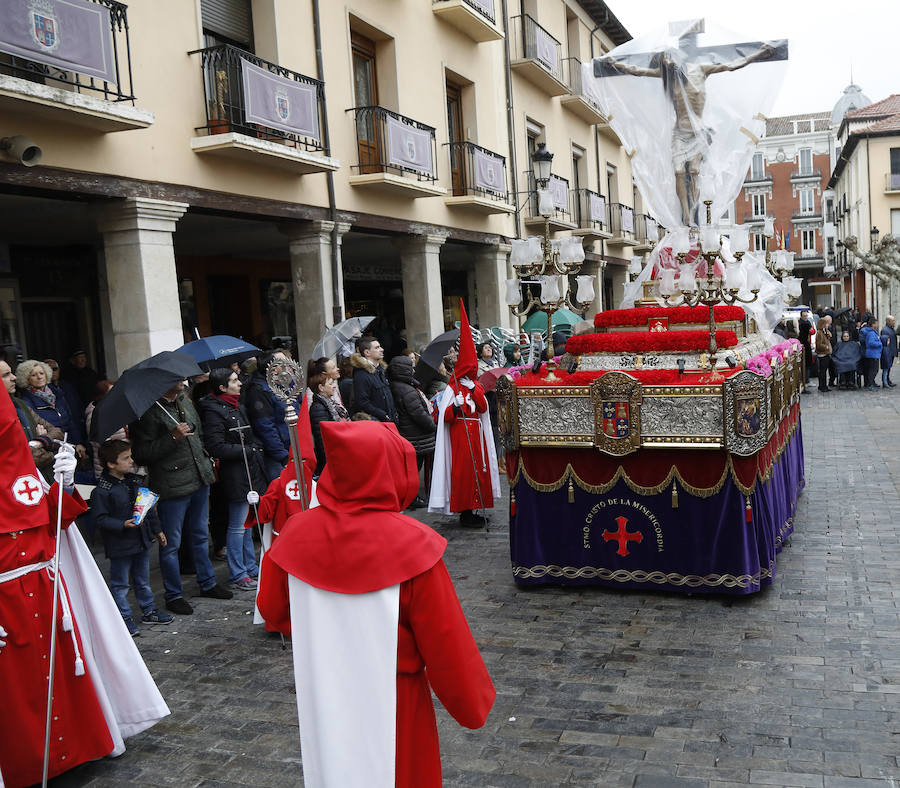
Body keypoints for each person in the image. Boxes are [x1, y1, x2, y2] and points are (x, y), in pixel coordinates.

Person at [256, 420, 496, 787]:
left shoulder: (295, 533)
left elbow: (273, 610)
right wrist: (471, 704)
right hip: (397, 699)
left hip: (324, 689)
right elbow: (446, 643)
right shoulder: (413, 545)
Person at [0, 393, 169, 786]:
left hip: (47, 593)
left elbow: (54, 521)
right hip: (7, 606)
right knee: (17, 691)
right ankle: (28, 764)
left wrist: (63, 483)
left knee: (63, 677)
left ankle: (74, 751)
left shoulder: (24, 473)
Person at [130, 379, 232, 615]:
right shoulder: (148, 411)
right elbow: (141, 454)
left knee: (199, 535)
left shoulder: (185, 401)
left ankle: (207, 583)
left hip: (199, 478)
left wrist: (206, 459)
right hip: (171, 485)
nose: (183, 382)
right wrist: (172, 438)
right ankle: (173, 594)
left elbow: (199, 434)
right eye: (177, 379)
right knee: (170, 544)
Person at [89, 439, 174, 636]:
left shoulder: (135, 481)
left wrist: (157, 529)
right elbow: (100, 519)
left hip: (141, 540)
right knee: (120, 583)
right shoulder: (102, 491)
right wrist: (121, 524)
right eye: (125, 458)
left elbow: (147, 508)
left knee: (142, 579)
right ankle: (123, 616)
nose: (131, 461)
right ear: (111, 464)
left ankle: (149, 610)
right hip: (120, 545)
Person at [429, 301, 501, 527]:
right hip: (460, 436)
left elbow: (482, 409)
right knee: (464, 473)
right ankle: (465, 511)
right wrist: (455, 405)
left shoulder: (474, 385)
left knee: (479, 470)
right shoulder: (452, 389)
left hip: (476, 434)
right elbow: (445, 417)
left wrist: (474, 391)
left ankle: (477, 506)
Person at [199, 368, 268, 592]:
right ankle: (238, 573)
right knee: (238, 526)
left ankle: (249, 566)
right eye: (234, 381)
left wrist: (255, 447)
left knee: (247, 524)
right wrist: (247, 450)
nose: (239, 383)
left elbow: (250, 434)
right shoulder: (214, 411)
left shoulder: (237, 405)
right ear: (222, 387)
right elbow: (215, 446)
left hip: (248, 469)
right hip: (235, 473)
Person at [387, 354, 436, 508]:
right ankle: (411, 498)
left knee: (410, 469)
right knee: (413, 469)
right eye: (411, 368)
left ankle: (410, 496)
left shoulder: (398, 386)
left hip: (411, 434)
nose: (414, 371)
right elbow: (418, 414)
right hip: (415, 436)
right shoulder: (407, 391)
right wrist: (433, 426)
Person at [1, 358, 62, 480]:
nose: (14, 378)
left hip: (43, 479)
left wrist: (39, 442)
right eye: (6, 375)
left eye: (11, 373)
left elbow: (58, 433)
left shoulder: (20, 405)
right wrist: (51, 453)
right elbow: (20, 457)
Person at [244, 350, 299, 482]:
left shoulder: (283, 384)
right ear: (274, 370)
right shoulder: (259, 391)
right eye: (284, 363)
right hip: (278, 455)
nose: (289, 366)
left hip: (293, 447)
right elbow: (265, 427)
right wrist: (282, 455)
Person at [15, 359, 86, 456]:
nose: (39, 377)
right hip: (52, 450)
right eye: (34, 375)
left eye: (41, 373)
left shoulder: (57, 394)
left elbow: (70, 421)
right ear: (26, 379)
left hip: (70, 447)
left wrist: (78, 443)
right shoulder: (26, 402)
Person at [350, 335, 397, 422]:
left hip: (390, 421)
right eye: (377, 347)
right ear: (367, 352)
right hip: (378, 423)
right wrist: (383, 415)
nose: (382, 349)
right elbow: (362, 403)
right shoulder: (361, 374)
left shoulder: (380, 370)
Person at [308, 369, 340, 475]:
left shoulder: (329, 404)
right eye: (330, 384)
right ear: (321, 388)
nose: (334, 386)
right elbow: (322, 439)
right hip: (330, 459)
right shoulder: (318, 408)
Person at [861, 317, 882, 390]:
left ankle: (872, 383)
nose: (877, 325)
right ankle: (870, 384)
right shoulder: (871, 333)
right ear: (873, 324)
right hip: (872, 354)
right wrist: (880, 343)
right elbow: (871, 343)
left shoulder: (873, 332)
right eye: (876, 323)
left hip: (875, 354)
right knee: (873, 370)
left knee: (874, 370)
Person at [814, 314, 833, 392]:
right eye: (825, 324)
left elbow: (829, 337)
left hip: (826, 354)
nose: (827, 325)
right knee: (822, 371)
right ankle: (822, 386)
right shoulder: (819, 333)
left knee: (824, 371)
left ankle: (823, 385)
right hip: (822, 354)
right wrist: (826, 347)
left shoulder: (824, 332)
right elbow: (819, 345)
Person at [881, 315, 897, 388]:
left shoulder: (891, 329)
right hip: (888, 351)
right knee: (887, 367)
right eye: (893, 321)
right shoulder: (885, 330)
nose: (894, 322)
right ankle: (886, 381)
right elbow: (885, 342)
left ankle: (888, 380)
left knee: (889, 367)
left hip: (892, 350)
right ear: (888, 321)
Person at [798, 310, 814, 384]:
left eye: (806, 316)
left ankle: (807, 380)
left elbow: (813, 331)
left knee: (808, 364)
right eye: (804, 316)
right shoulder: (801, 323)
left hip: (808, 345)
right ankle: (805, 381)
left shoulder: (808, 322)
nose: (805, 317)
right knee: (805, 365)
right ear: (801, 316)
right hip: (803, 346)